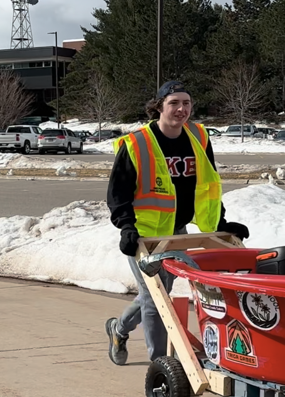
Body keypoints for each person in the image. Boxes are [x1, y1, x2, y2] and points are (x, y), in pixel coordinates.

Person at [104, 79, 250, 366]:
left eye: (186, 103)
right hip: (145, 236)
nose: (181, 109)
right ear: (159, 107)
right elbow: (118, 191)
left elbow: (207, 184)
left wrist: (221, 223)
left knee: (159, 295)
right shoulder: (137, 143)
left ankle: (118, 329)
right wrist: (126, 227)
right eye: (174, 103)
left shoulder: (198, 136)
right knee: (155, 299)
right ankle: (161, 365)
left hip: (177, 231)